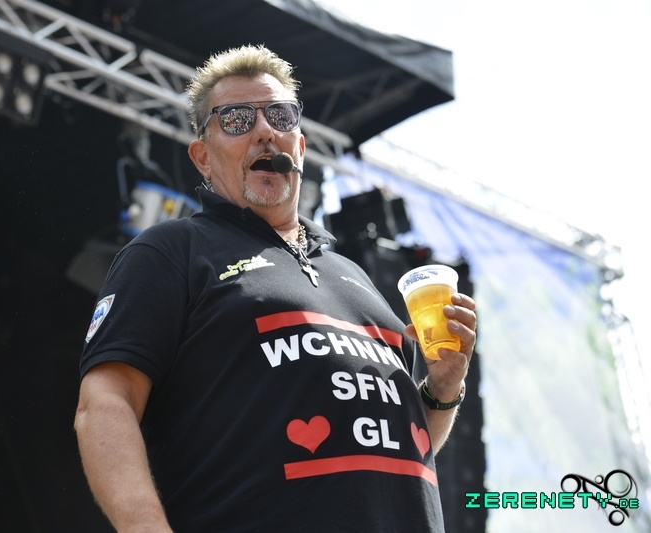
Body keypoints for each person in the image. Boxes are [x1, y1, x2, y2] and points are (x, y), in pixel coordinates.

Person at [75, 44, 476, 532]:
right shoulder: (172, 251)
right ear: (203, 158)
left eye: (280, 116)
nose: (265, 131)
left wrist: (443, 390)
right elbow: (105, 403)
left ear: (300, 147)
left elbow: (403, 444)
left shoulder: (356, 276)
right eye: (237, 120)